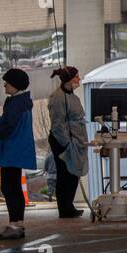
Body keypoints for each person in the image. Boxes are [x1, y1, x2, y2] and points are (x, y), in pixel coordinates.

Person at [0, 68, 37, 241]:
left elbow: (7, 129)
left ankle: (15, 225)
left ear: (14, 85)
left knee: (10, 188)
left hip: (11, 151)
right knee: (14, 187)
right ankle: (17, 223)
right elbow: (10, 122)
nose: (4, 85)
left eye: (6, 83)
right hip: (18, 150)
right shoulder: (22, 101)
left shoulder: (14, 103)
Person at [47, 65, 89, 219]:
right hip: (63, 142)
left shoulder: (73, 97)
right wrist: (67, 144)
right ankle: (64, 208)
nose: (79, 79)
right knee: (65, 174)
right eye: (77, 77)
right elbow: (58, 125)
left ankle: (68, 205)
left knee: (73, 174)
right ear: (69, 79)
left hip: (75, 141)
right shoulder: (58, 98)